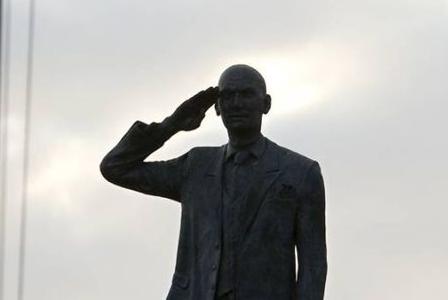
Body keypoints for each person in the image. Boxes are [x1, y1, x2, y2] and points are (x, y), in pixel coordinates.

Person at [101, 64, 327, 300]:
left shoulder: (300, 172)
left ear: (266, 103)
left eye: (247, 94)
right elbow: (115, 167)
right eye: (228, 95)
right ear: (217, 107)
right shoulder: (196, 166)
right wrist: (172, 124)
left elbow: (314, 266)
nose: (237, 103)